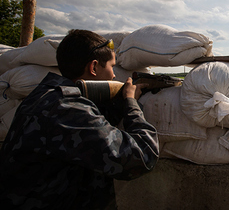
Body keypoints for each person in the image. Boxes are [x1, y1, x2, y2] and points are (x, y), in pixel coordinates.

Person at [0, 30, 159, 209]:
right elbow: (142, 157)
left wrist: (120, 102)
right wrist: (132, 103)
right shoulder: (67, 109)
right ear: (93, 67)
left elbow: (95, 127)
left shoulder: (46, 95)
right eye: (111, 67)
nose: (114, 75)